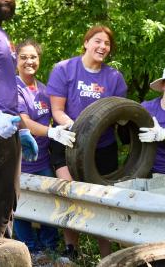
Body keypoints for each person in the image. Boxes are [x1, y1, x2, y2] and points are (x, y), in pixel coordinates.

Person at [46, 25, 127, 258]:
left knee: (102, 201)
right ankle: (72, 250)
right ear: (86, 42)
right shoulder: (64, 69)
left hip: (102, 148)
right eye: (97, 41)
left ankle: (107, 256)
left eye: (107, 44)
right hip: (67, 140)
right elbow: (57, 111)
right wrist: (78, 130)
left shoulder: (114, 78)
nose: (102, 47)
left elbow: (120, 113)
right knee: (71, 194)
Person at [13, 39, 76, 255]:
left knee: (50, 202)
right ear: (16, 60)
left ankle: (50, 248)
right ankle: (29, 249)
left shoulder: (44, 89)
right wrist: (51, 131)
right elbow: (24, 122)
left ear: (39, 59)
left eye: (33, 57)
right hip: (19, 161)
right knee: (21, 207)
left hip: (43, 160)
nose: (29, 61)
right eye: (24, 57)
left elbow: (56, 115)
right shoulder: (13, 88)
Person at [0, 0, 38, 238]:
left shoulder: (1, 33)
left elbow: (3, 85)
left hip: (6, 132)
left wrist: (20, 128)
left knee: (5, 206)